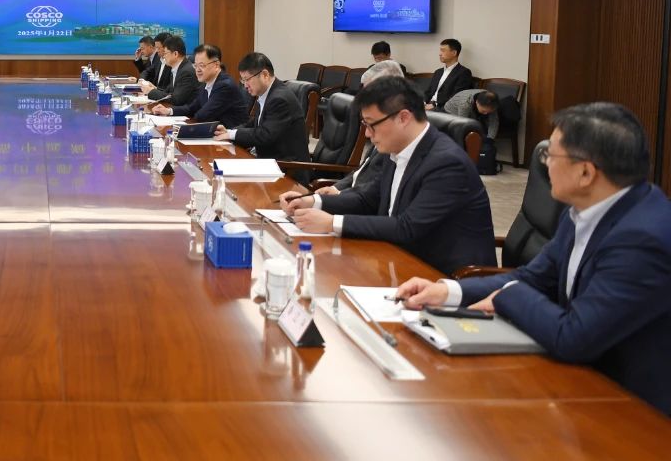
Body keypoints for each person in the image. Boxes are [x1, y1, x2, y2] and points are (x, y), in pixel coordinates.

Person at [395, 102, 671, 415]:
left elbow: (574, 337)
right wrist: (447, 291)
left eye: (550, 155)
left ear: (585, 172)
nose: (544, 164)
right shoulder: (582, 210)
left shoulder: (642, 239)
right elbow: (532, 277)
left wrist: (508, 296)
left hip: (633, 408)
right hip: (580, 380)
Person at [282, 76, 495, 275]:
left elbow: (407, 227)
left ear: (403, 118)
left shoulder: (447, 163)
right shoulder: (396, 149)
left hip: (443, 277)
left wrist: (332, 223)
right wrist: (313, 201)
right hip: (397, 259)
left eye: (371, 124)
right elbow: (367, 199)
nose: (367, 134)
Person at [215, 52, 312, 181]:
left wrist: (232, 135)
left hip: (287, 170)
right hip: (270, 163)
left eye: (247, 79)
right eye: (242, 80)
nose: (245, 85)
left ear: (265, 75)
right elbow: (255, 123)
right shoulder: (268, 93)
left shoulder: (279, 98)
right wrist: (229, 132)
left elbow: (265, 135)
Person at [321, 61, 405, 194]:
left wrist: (338, 196)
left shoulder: (396, 135)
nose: (366, 134)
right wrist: (335, 188)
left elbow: (372, 194)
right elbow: (361, 171)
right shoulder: (380, 121)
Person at [150, 43, 249, 128]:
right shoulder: (206, 83)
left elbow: (203, 116)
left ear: (216, 65)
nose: (197, 70)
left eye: (202, 65)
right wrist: (168, 111)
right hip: (216, 135)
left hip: (232, 139)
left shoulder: (224, 86)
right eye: (195, 65)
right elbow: (192, 108)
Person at [141, 35, 198, 106]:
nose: (164, 56)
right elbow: (168, 92)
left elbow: (177, 99)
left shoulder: (186, 72)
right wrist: (154, 88)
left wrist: (151, 91)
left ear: (175, 54)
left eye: (165, 53)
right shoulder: (176, 69)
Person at [423, 38, 474, 110]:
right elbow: (428, 92)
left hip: (443, 109)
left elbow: (456, 97)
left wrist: (434, 105)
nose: (440, 54)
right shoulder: (438, 72)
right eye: (440, 50)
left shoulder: (464, 73)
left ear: (454, 53)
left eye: (443, 50)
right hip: (428, 106)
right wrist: (423, 103)